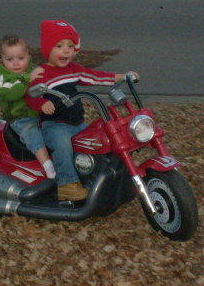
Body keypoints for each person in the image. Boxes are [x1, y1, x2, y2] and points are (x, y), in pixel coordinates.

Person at [26, 20, 139, 201]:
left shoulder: (73, 69)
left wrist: (122, 77)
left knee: (99, 140)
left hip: (77, 122)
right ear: (47, 49)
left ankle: (98, 174)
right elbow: (30, 95)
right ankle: (67, 184)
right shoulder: (42, 73)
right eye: (59, 46)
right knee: (63, 144)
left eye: (70, 46)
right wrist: (41, 103)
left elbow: (95, 76)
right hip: (55, 125)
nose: (66, 50)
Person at [0, 35, 56, 179]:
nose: (16, 63)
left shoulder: (32, 72)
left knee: (59, 127)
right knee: (32, 133)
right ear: (1, 61)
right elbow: (12, 92)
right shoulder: (3, 79)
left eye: (20, 58)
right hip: (20, 118)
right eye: (10, 60)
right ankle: (48, 166)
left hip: (38, 113)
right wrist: (28, 78)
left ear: (28, 57)